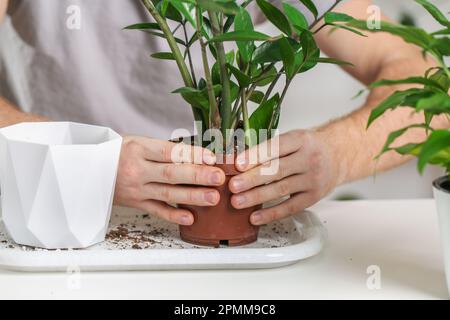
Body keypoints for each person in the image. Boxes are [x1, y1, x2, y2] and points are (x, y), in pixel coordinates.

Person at [0, 0, 448, 227]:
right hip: (55, 214)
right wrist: (89, 161)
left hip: (239, 229)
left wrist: (337, 155)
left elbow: (428, 85)